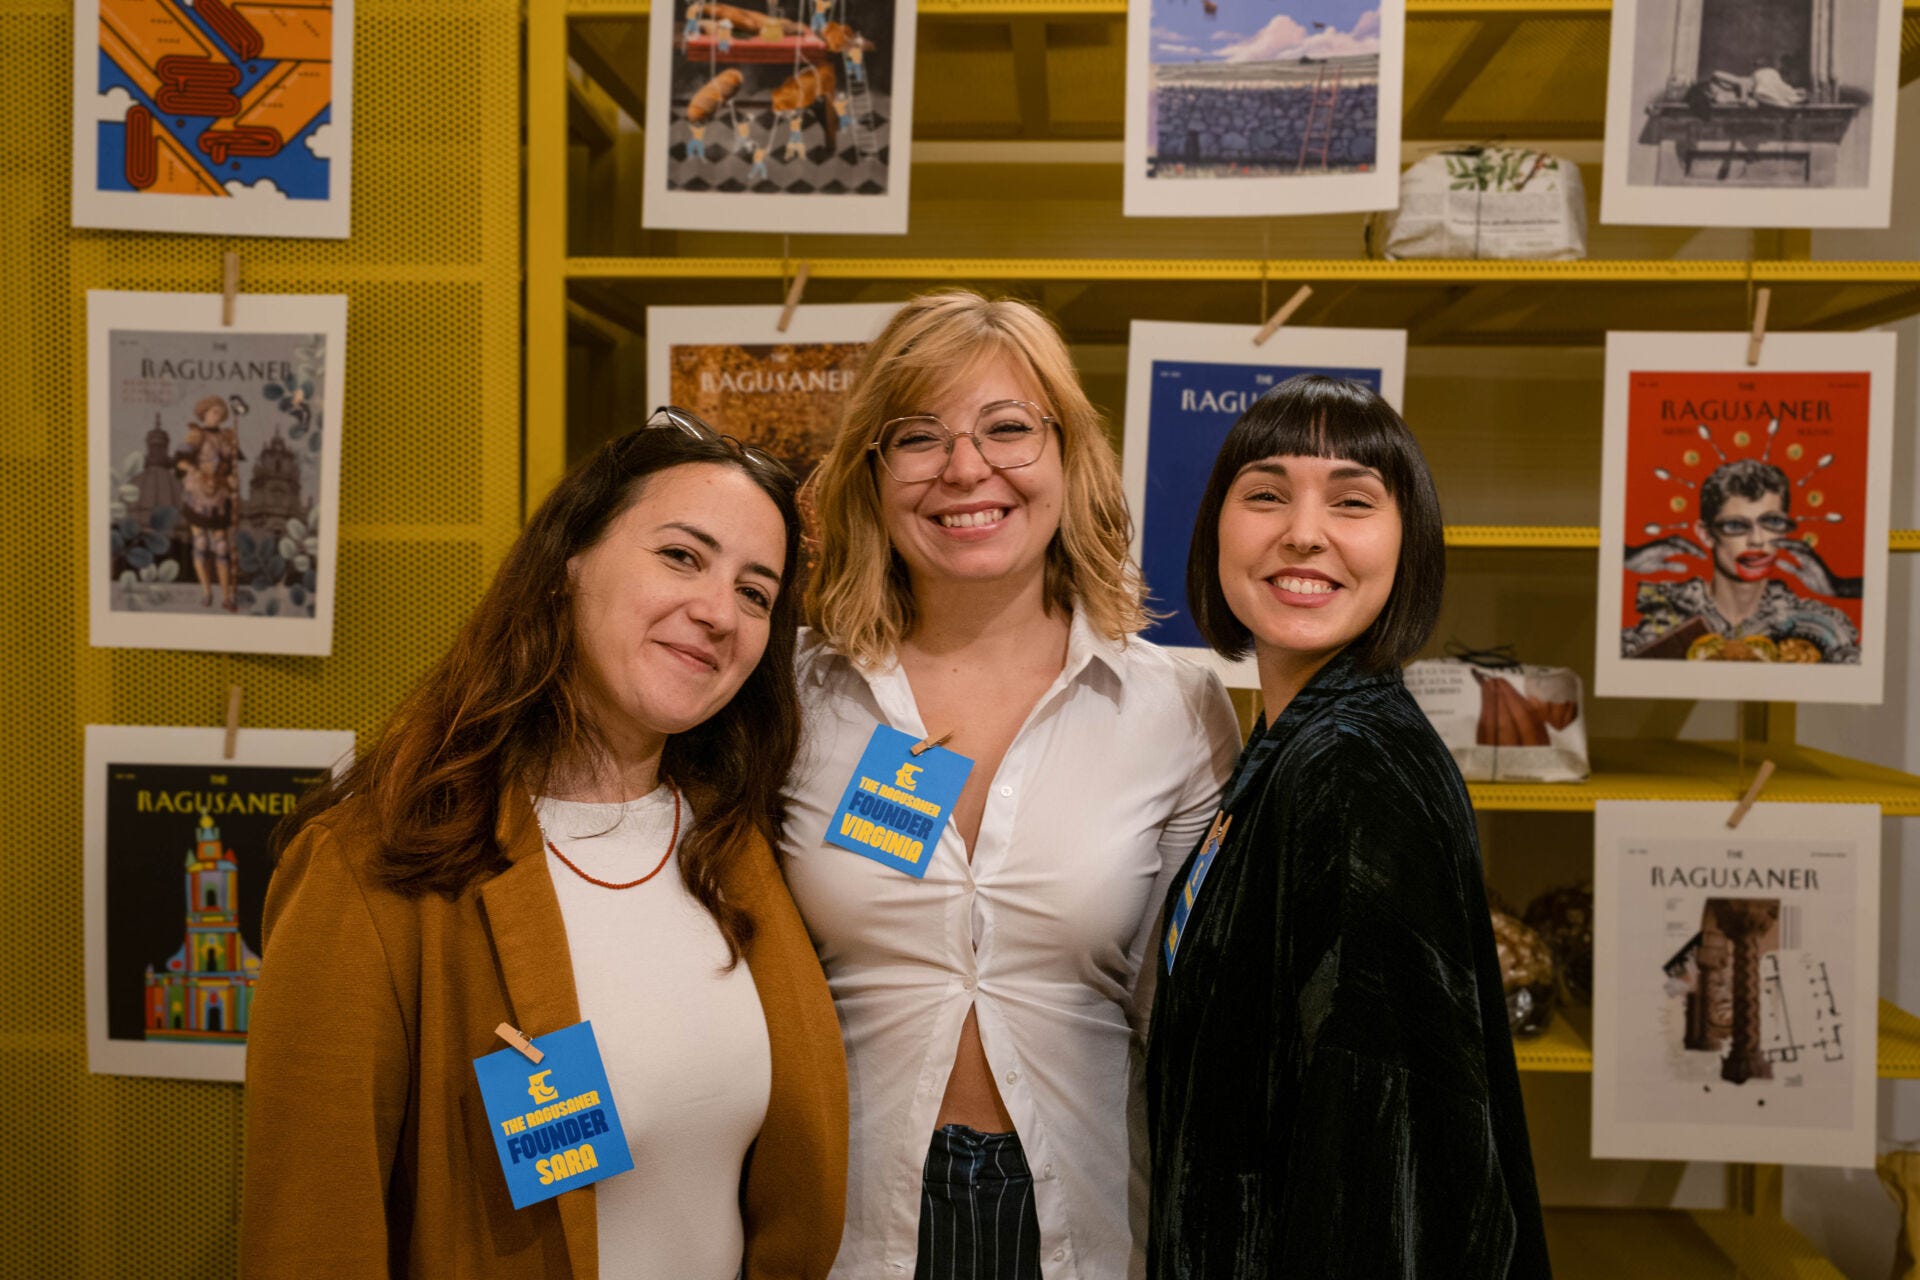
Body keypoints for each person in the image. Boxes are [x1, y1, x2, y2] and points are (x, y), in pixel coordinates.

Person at [241, 411, 848, 1279]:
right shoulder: (374, 868)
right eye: (682, 556)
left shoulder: (738, 849)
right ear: (570, 563)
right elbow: (312, 1236)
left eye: (756, 593)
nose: (719, 612)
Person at [782, 291, 1242, 1280]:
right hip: (847, 1223)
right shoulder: (794, 698)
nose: (965, 468)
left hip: (1085, 1219)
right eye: (918, 436)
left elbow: (1190, 1018)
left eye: (1007, 428)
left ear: (1069, 455)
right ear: (872, 472)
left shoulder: (1176, 708)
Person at [1145, 375, 1550, 1278]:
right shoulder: (1291, 745)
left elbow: (1385, 1177)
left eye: (1353, 501)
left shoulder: (1353, 768)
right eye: (1265, 495)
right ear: (1215, 529)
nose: (1303, 532)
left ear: (1411, 544)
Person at [1621, 456, 1860, 662]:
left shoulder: (1818, 626)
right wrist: (1620, 558)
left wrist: (1842, 588)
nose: (1756, 540)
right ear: (1705, 534)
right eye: (1736, 525)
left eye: (1772, 522)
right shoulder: (1664, 619)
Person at [174, 395, 241, 611]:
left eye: (221, 413)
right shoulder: (196, 434)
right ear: (204, 413)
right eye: (214, 412)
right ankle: (206, 592)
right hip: (199, 492)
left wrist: (231, 478)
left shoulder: (228, 437)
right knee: (201, 543)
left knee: (221, 546)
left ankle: (227, 596)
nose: (217, 416)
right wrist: (195, 470)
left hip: (219, 494)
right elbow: (179, 461)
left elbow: (230, 465)